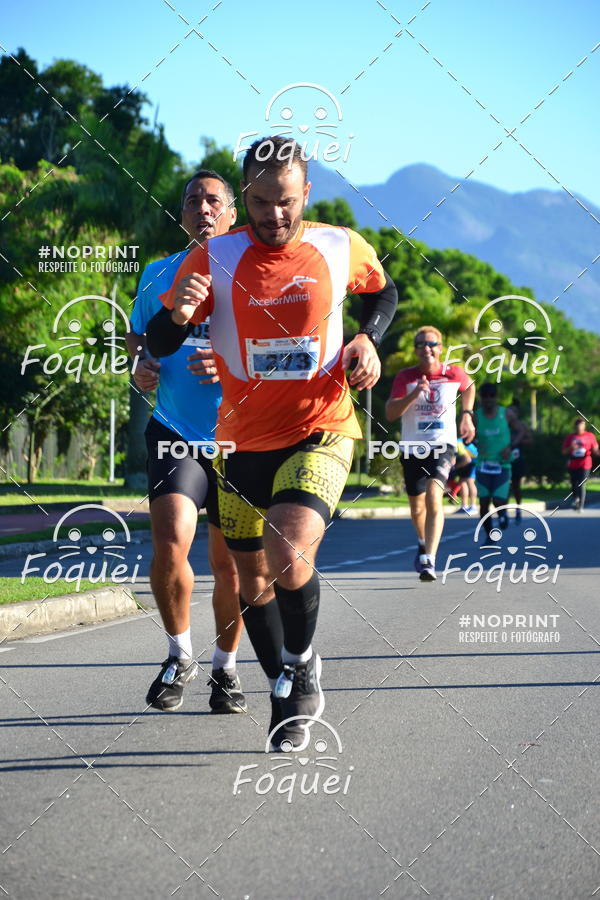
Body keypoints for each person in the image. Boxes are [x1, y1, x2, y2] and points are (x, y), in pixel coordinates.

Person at [146, 136, 398, 750]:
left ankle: (304, 660)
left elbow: (384, 293)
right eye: (259, 202)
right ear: (246, 198)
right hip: (240, 439)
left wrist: (368, 339)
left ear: (305, 193)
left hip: (321, 426)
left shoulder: (338, 245)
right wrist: (177, 317)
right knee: (251, 584)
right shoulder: (214, 254)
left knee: (288, 547)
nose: (273, 216)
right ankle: (284, 686)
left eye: (285, 202)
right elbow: (155, 343)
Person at [126, 170, 246, 714]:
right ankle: (179, 655)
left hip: (243, 438)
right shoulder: (157, 275)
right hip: (176, 430)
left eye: (213, 199)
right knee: (171, 539)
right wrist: (141, 370)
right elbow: (137, 349)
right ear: (182, 214)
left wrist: (227, 369)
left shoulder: (257, 277)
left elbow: (289, 357)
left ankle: (226, 669)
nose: (203, 206)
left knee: (231, 566)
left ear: (232, 215)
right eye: (193, 199)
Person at [385, 326, 475, 581]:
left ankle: (429, 560)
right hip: (413, 447)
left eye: (432, 344)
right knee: (416, 509)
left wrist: (467, 415)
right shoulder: (406, 377)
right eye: (422, 344)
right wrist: (414, 394)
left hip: (442, 446)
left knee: (434, 496)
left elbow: (469, 386)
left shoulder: (452, 373)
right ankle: (423, 541)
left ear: (440, 348)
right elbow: (391, 413)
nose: (427, 348)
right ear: (415, 350)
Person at [474, 383, 512, 534]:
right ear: (481, 398)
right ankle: (490, 535)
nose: (488, 399)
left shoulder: (506, 414)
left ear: (496, 397)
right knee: (483, 503)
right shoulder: (475, 416)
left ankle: (503, 514)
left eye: (491, 395)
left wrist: (511, 446)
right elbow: (465, 436)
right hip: (482, 464)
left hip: (502, 465)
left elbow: (521, 431)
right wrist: (474, 443)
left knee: (498, 500)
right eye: (485, 396)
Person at [562, 418, 599, 511]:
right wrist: (571, 447)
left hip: (585, 463)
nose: (580, 426)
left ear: (584, 426)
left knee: (582, 483)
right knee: (574, 483)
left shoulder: (590, 436)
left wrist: (597, 451)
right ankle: (575, 499)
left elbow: (595, 450)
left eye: (582, 424)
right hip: (573, 463)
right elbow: (564, 451)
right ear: (575, 426)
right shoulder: (570, 437)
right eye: (578, 424)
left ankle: (580, 506)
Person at [507, 397, 532, 522]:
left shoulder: (522, 426)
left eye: (514, 412)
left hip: (517, 458)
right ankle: (503, 510)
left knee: (516, 485)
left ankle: (518, 508)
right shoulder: (503, 425)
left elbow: (530, 441)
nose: (512, 414)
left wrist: (517, 442)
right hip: (504, 459)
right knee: (504, 485)